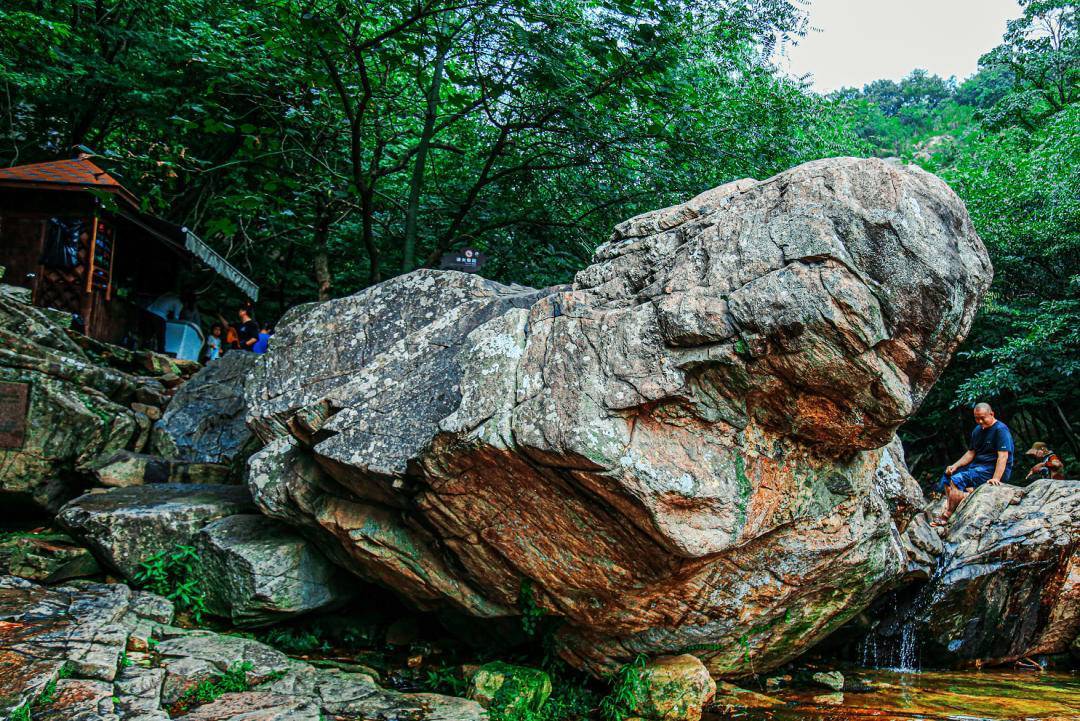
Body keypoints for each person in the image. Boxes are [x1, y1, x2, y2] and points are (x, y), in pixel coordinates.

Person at [932, 402, 1015, 526]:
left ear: (991, 414)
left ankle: (947, 515)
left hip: (992, 469)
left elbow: (1003, 456)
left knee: (957, 479)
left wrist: (996, 478)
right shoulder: (977, 430)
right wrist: (955, 465)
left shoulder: (1000, 430)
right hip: (978, 467)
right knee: (948, 476)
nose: (980, 421)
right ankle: (964, 499)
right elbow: (971, 453)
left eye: (983, 418)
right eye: (977, 418)